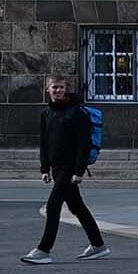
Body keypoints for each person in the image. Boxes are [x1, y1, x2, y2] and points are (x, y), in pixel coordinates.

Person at [25, 75, 106, 264]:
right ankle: (98, 245)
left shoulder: (77, 113)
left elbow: (83, 145)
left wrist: (78, 171)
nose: (58, 91)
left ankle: (44, 250)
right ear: (47, 89)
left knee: (53, 207)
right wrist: (44, 168)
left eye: (61, 87)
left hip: (69, 167)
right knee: (77, 207)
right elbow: (43, 143)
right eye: (55, 87)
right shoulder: (46, 114)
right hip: (56, 167)